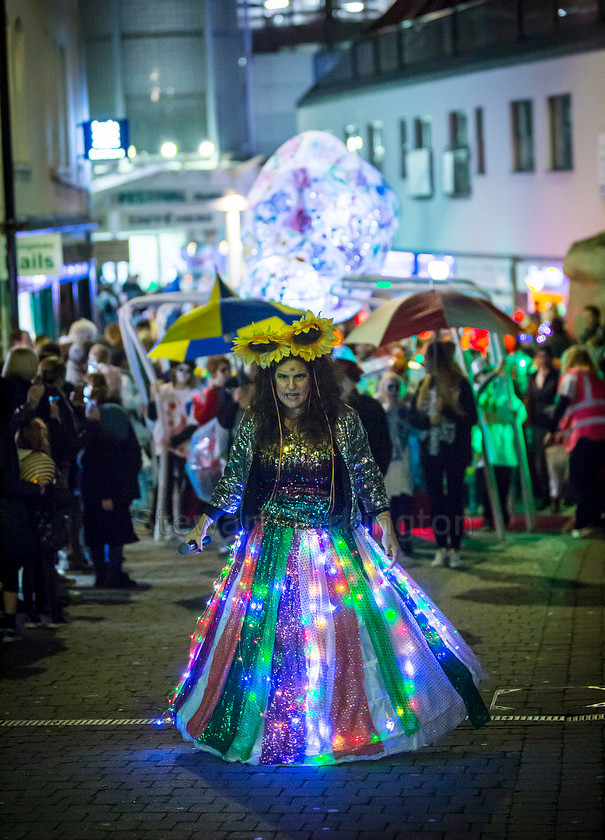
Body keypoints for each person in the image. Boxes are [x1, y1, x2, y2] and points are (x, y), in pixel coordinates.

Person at [171, 313, 489, 765]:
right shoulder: (256, 424)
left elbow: (366, 475)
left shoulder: (342, 420)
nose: (291, 384)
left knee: (344, 639)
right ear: (271, 380)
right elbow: (234, 482)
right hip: (272, 549)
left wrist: (385, 524)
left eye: (299, 374)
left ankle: (343, 726)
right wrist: (205, 521)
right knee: (270, 646)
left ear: (314, 376)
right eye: (283, 376)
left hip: (333, 543)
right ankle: (279, 730)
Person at [410, 341, 478, 568]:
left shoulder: (461, 384)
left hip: (455, 450)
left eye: (428, 358)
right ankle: (441, 546)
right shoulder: (423, 385)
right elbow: (414, 418)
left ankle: (455, 547)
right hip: (431, 450)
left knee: (455, 498)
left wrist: (447, 409)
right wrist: (429, 420)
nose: (425, 363)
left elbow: (471, 418)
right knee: (436, 498)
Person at [79, 373, 142, 587]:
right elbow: (132, 454)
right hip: (115, 484)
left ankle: (104, 574)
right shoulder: (115, 419)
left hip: (95, 487)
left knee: (98, 533)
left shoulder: (88, 421)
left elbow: (88, 459)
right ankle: (112, 574)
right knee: (114, 533)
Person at [545, 346, 605, 537]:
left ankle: (592, 523)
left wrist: (552, 430)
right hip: (602, 435)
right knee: (595, 479)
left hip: (585, 435)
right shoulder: (598, 377)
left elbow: (563, 403)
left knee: (580, 480)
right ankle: (587, 520)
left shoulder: (572, 376)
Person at [0, 379, 43, 641]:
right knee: (9, 565)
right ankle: (8, 621)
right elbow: (6, 482)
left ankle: (8, 620)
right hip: (6, 512)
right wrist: (32, 489)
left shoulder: (5, 432)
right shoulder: (3, 439)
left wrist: (30, 406)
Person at [17, 417, 69, 627]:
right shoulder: (43, 461)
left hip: (25, 518)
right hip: (45, 519)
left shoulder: (16, 460)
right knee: (47, 566)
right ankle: (52, 611)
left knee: (29, 568)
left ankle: (32, 612)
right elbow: (60, 492)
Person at [472, 359, 527, 530]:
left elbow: (521, 412)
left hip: (504, 449)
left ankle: (503, 517)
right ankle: (488, 518)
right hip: (486, 449)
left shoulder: (504, 393)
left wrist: (514, 417)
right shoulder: (477, 394)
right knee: (487, 487)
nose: (488, 376)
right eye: (484, 373)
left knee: (503, 485)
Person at [149, 360, 199, 533]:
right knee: (165, 482)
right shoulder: (164, 391)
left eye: (188, 370)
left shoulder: (195, 394)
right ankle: (162, 520)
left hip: (184, 444)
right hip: (163, 442)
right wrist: (152, 397)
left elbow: (194, 422)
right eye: (180, 369)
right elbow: (152, 414)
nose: (184, 374)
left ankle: (184, 519)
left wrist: (176, 440)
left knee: (185, 482)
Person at [377, 371, 414, 557]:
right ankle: (394, 538)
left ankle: (405, 539)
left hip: (404, 459)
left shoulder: (405, 410)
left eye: (396, 387)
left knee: (404, 501)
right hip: (388, 462)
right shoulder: (381, 409)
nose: (393, 390)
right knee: (390, 501)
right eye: (390, 387)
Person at [524, 347, 560, 510]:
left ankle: (556, 496)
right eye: (539, 356)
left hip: (551, 422)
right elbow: (529, 397)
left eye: (544, 356)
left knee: (553, 462)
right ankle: (545, 495)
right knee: (539, 462)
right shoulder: (532, 376)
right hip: (537, 421)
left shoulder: (556, 376)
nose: (542, 359)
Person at [193, 355, 232, 427]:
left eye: (228, 369)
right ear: (213, 373)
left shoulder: (232, 386)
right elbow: (202, 417)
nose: (228, 372)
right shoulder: (212, 393)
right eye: (223, 370)